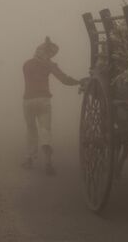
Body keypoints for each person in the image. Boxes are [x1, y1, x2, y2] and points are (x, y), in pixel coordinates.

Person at [22, 36, 82, 175]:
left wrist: (46, 46)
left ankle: (29, 159)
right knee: (45, 130)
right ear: (49, 54)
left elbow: (34, 71)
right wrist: (78, 82)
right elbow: (64, 79)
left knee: (31, 130)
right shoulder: (50, 65)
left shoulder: (26, 64)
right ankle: (48, 163)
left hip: (28, 100)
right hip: (44, 100)